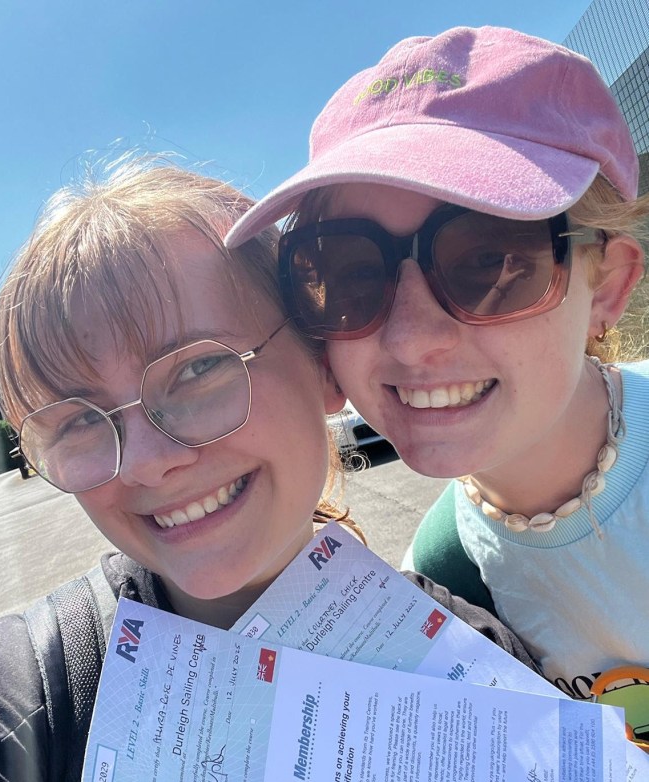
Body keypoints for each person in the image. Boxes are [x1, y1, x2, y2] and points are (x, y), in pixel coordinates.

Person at [0, 158, 535, 782]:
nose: (148, 463)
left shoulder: (488, 669)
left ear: (323, 363)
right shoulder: (14, 726)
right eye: (76, 421)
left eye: (197, 369)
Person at [225, 26, 649, 701]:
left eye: (490, 259)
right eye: (349, 273)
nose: (409, 339)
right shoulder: (438, 590)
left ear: (604, 285)